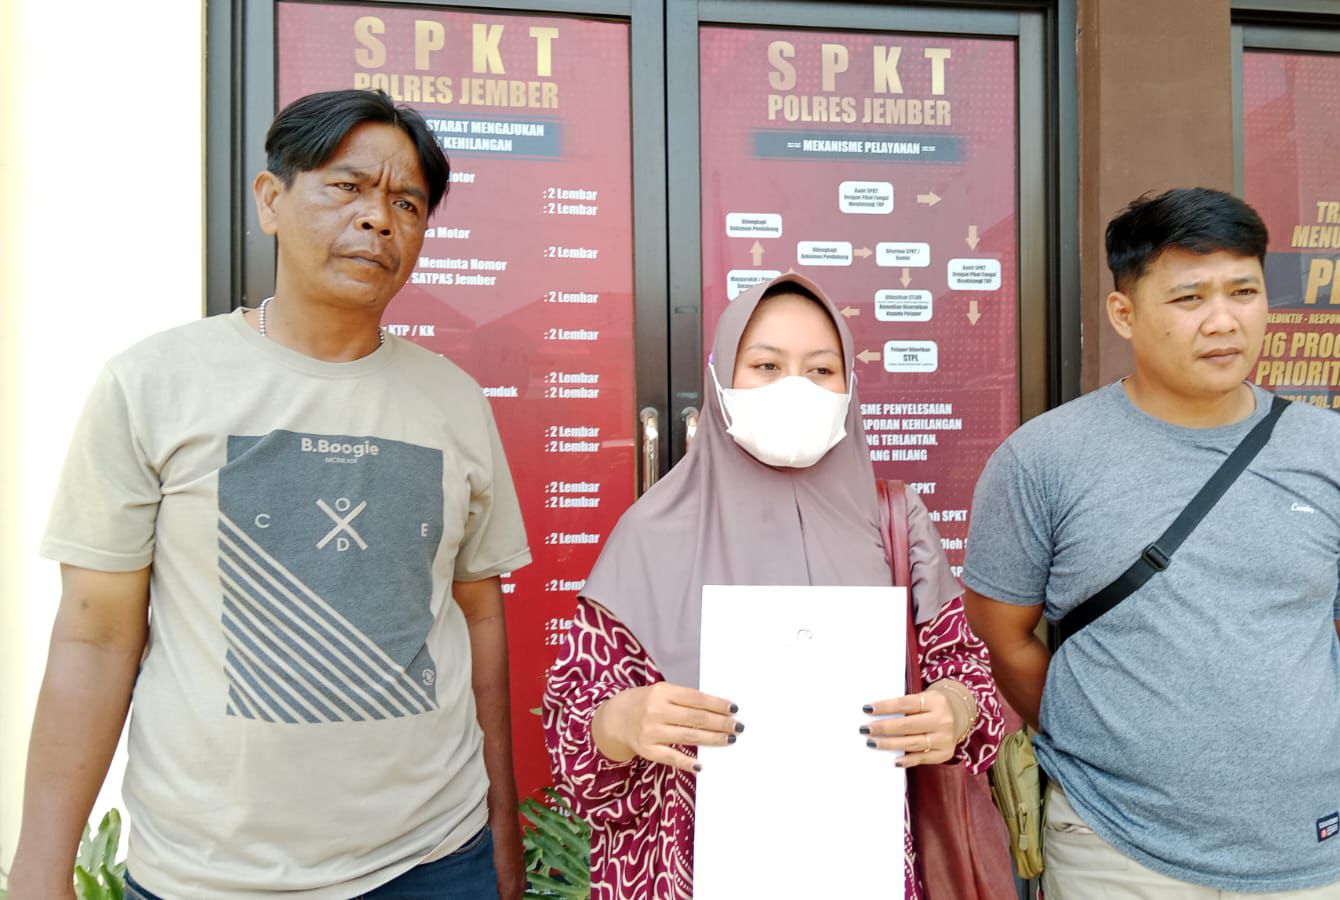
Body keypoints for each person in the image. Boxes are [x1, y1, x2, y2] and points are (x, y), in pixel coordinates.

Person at [11, 90, 530, 899]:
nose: (378, 218)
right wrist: (41, 869)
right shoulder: (154, 384)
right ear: (270, 200)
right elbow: (95, 636)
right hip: (206, 874)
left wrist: (502, 829)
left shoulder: (453, 401)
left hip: (432, 859)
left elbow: (479, 616)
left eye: (406, 203)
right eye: (346, 187)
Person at [963, 187, 1340, 898]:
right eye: (1189, 298)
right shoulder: (1043, 459)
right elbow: (1002, 636)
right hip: (1113, 846)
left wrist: (1265, 736)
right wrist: (1106, 736)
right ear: (1124, 313)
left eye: (1244, 292)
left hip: (1304, 850)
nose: (1223, 320)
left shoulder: (1335, 451)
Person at [541, 273, 1005, 899]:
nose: (796, 388)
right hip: (683, 873)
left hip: (861, 866)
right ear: (721, 384)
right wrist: (623, 722)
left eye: (821, 370)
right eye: (766, 366)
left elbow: (970, 677)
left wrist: (953, 710)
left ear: (850, 387)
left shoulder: (895, 523)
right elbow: (576, 753)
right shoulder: (650, 534)